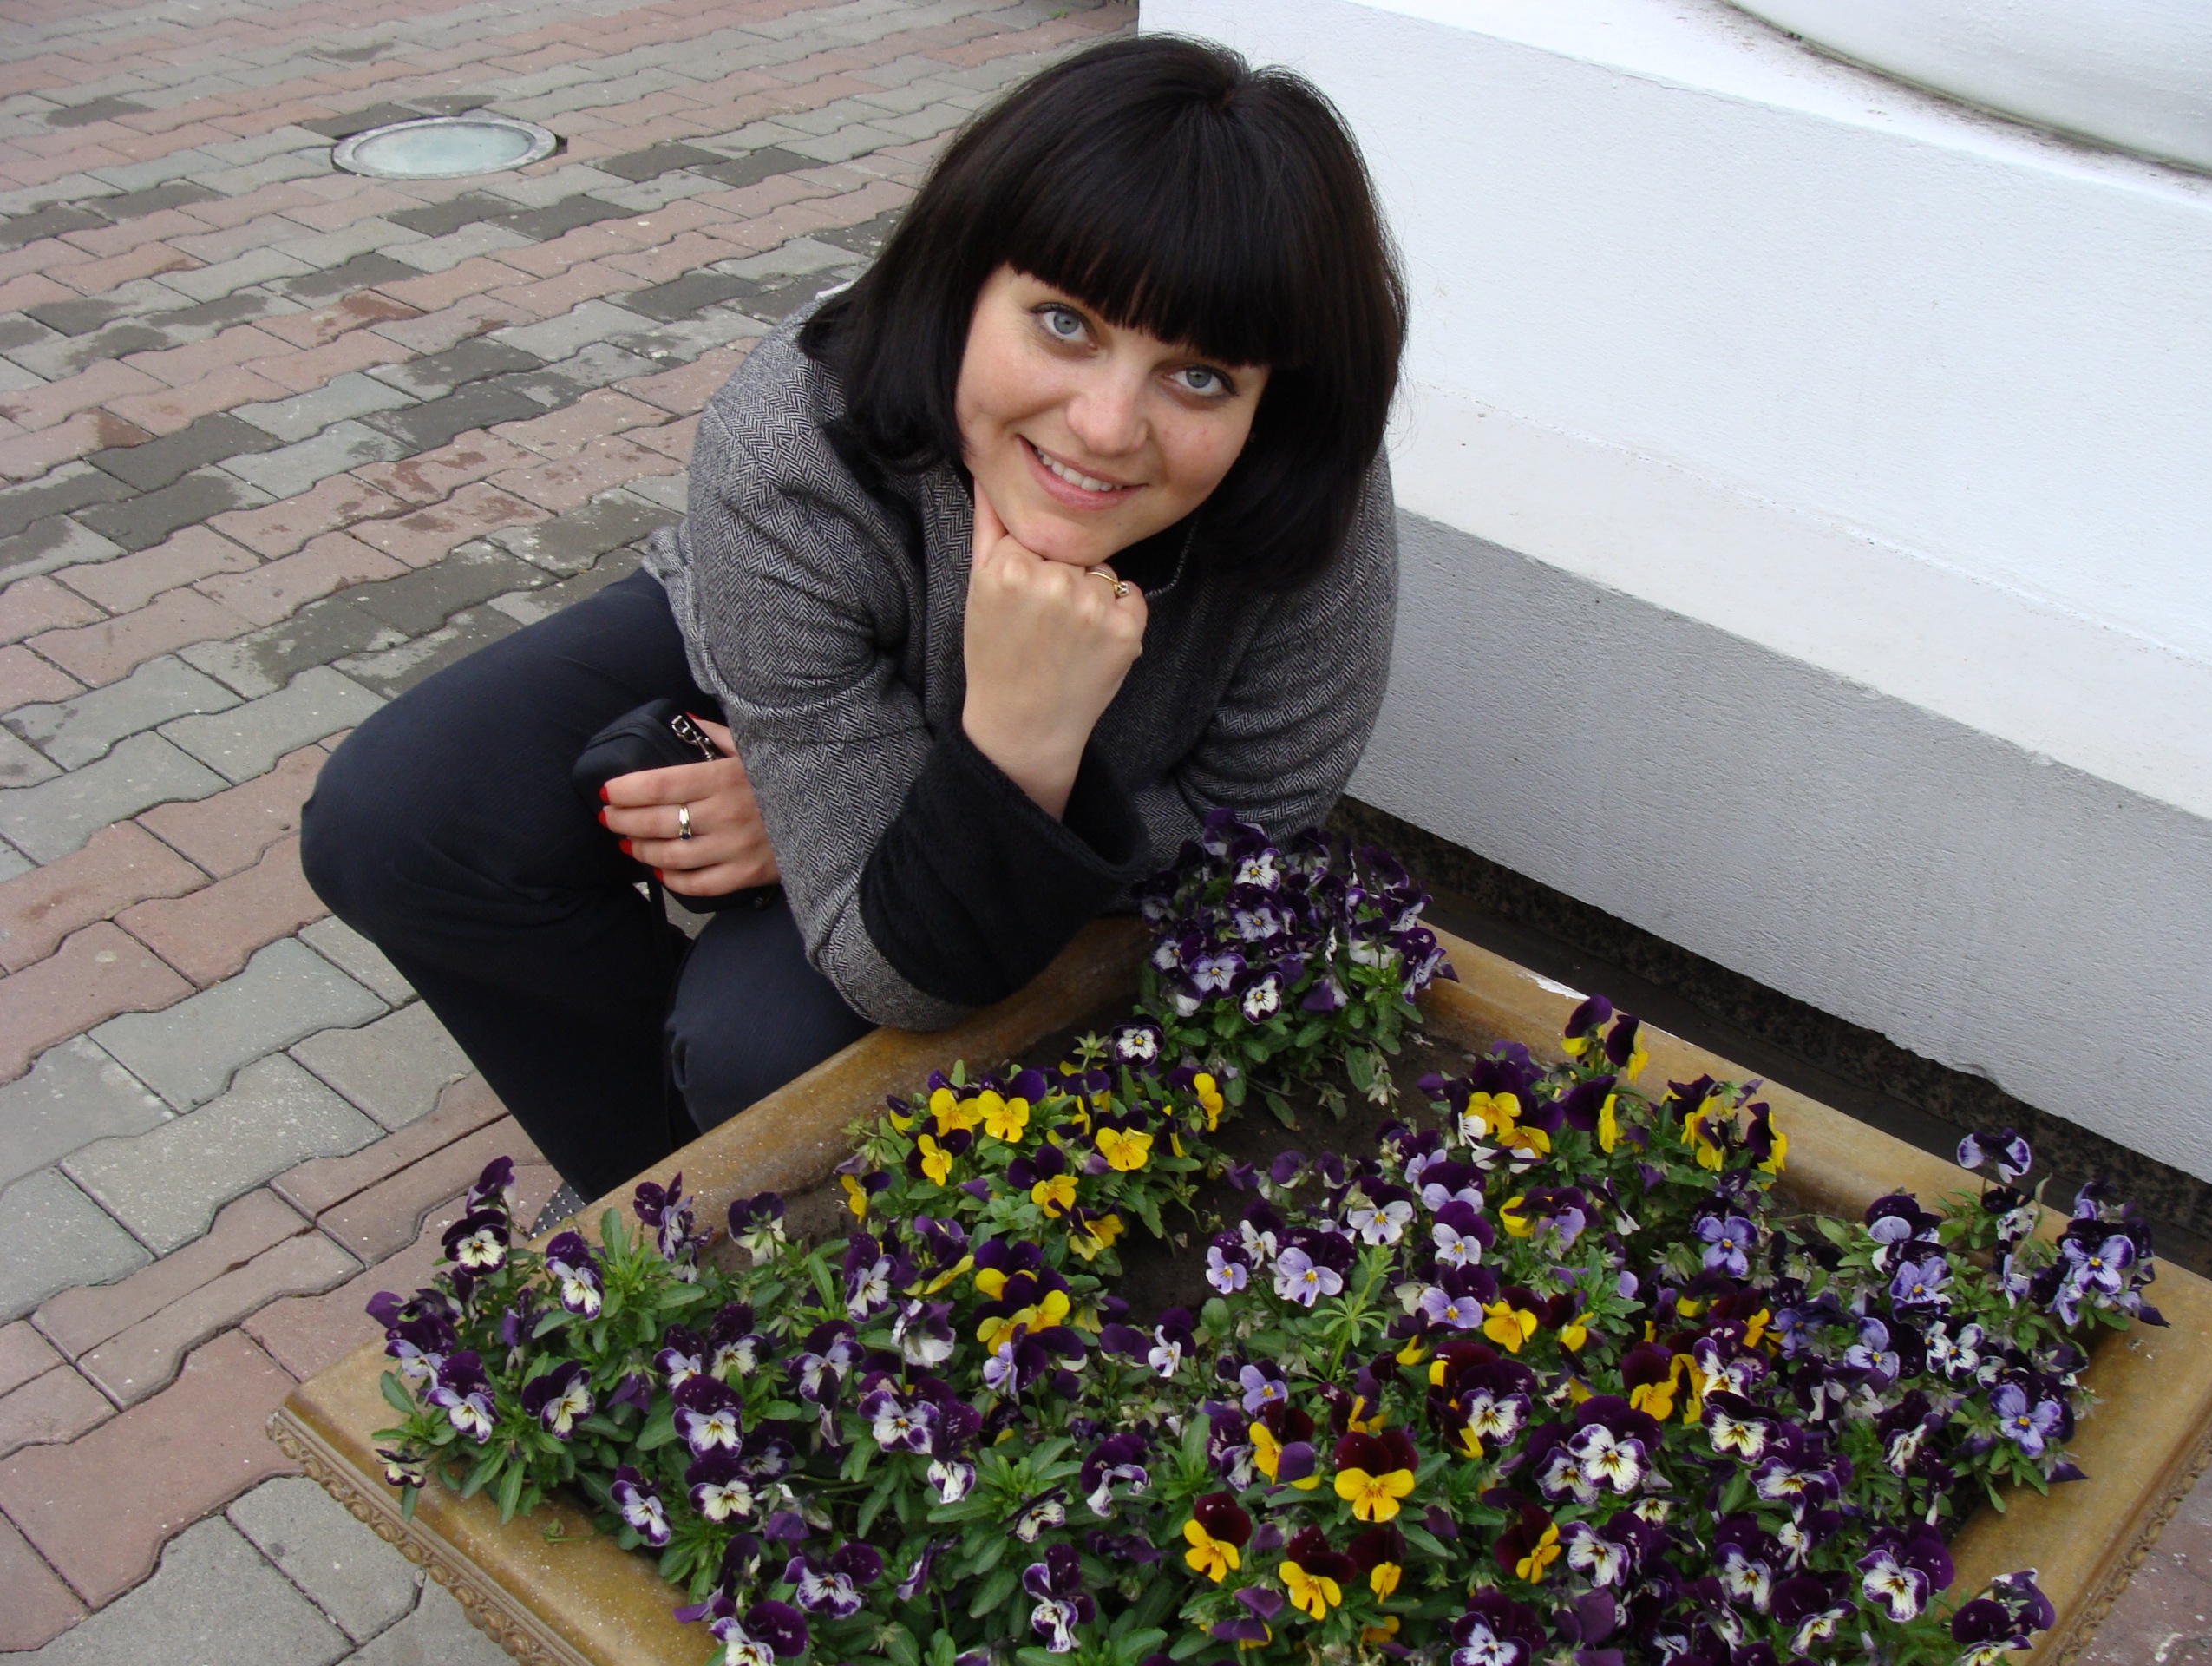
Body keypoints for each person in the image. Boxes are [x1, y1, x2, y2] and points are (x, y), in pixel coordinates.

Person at [300, 35, 1408, 1203]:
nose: (1104, 426)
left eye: (1200, 377)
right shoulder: (792, 436)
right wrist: (828, 802)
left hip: (1063, 821)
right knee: (401, 819)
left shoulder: (1312, 499)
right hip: (785, 648)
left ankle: (754, 1202)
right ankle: (671, 1204)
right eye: (1064, 322)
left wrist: (977, 774)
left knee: (763, 1046)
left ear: (1275, 403)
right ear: (963, 281)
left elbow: (1244, 827)